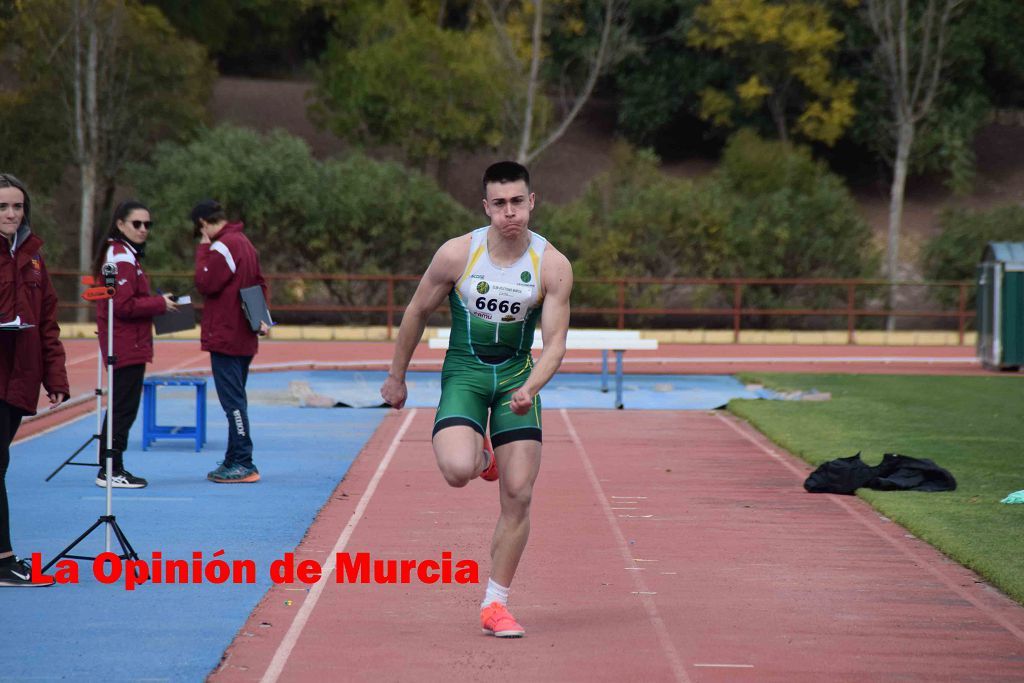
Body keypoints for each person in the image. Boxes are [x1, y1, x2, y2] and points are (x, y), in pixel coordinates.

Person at [380, 161, 573, 638]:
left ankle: (495, 603)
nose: (510, 212)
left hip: (516, 379)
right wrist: (396, 376)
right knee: (456, 472)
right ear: (486, 207)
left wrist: (531, 388)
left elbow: (556, 344)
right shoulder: (457, 254)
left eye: (518, 202)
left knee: (519, 493)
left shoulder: (551, 264)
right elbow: (416, 311)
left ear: (533, 202)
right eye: (500, 204)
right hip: (465, 373)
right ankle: (483, 456)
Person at [0, 173, 69, 586]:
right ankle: (4, 559)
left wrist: (55, 377)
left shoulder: (34, 257)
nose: (11, 213)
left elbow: (47, 323)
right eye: (3, 206)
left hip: (19, 379)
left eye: (17, 206)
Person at [91, 200, 178, 489]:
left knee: (122, 406)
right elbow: (123, 304)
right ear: (120, 224)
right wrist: (160, 304)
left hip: (129, 342)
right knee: (122, 408)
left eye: (147, 224)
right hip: (125, 344)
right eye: (137, 224)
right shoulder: (121, 258)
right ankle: (110, 469)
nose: (143, 229)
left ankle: (111, 466)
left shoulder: (125, 255)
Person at [192, 199, 268, 484]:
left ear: (202, 223)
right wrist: (261, 318)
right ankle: (232, 457)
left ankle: (243, 462)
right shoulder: (245, 242)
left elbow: (204, 283)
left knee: (233, 402)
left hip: (226, 334)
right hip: (244, 333)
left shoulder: (222, 245)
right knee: (237, 398)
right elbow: (260, 282)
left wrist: (202, 249)